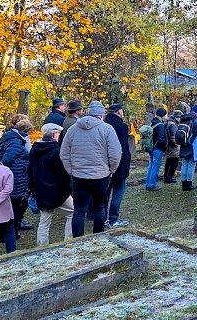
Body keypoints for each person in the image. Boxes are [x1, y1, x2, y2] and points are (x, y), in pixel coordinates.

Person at [59, 101, 122, 237]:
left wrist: (71, 170)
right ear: (101, 115)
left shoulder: (73, 129)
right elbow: (116, 153)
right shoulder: (107, 129)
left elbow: (64, 153)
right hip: (101, 176)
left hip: (78, 176)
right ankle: (98, 238)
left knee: (79, 210)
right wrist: (111, 170)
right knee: (99, 207)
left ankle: (78, 241)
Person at [28, 123, 73, 246]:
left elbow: (30, 171)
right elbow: (62, 174)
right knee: (72, 213)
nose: (59, 135)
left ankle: (41, 247)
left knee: (44, 221)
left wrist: (32, 188)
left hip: (41, 191)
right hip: (58, 192)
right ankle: (69, 242)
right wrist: (68, 187)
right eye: (58, 133)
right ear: (54, 134)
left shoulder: (34, 149)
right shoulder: (56, 150)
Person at [0, 116, 34, 235]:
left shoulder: (13, 138)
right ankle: (11, 231)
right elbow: (6, 160)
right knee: (15, 204)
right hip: (16, 176)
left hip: (17, 174)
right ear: (25, 130)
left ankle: (11, 229)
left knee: (16, 204)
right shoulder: (16, 142)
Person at [104, 104, 131, 227]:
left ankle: (103, 218)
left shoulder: (103, 125)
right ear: (119, 112)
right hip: (119, 164)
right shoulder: (121, 126)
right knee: (118, 192)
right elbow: (123, 146)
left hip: (104, 164)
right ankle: (113, 219)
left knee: (105, 193)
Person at [145, 107, 169, 191]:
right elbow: (162, 139)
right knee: (155, 167)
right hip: (157, 148)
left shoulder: (152, 123)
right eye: (166, 115)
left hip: (151, 148)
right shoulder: (160, 125)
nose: (166, 117)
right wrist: (165, 146)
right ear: (163, 115)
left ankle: (148, 183)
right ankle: (152, 185)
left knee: (151, 166)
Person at [180, 105, 197, 191]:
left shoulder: (184, 118)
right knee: (191, 164)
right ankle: (189, 184)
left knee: (184, 164)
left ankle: (183, 184)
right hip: (193, 145)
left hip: (183, 143)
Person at [163, 110, 182, 184]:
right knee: (174, 163)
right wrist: (177, 144)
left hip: (168, 146)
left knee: (168, 162)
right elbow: (173, 137)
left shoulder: (167, 122)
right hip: (173, 148)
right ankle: (169, 177)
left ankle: (166, 177)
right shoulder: (172, 124)